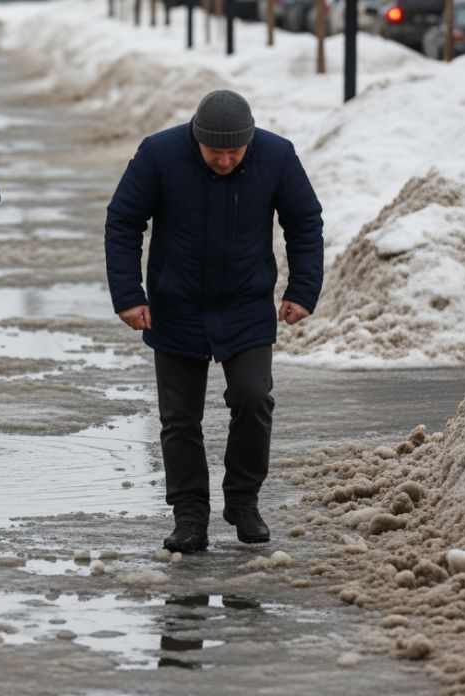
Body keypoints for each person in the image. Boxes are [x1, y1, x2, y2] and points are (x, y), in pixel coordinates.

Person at [104, 89, 324, 553]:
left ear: (249, 141)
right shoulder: (159, 154)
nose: (224, 161)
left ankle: (243, 501)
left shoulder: (276, 155)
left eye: (234, 152)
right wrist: (128, 294)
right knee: (180, 419)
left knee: (253, 397)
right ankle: (190, 517)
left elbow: (304, 221)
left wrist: (303, 289)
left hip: (245, 305)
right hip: (175, 305)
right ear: (195, 139)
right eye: (214, 152)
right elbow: (123, 221)